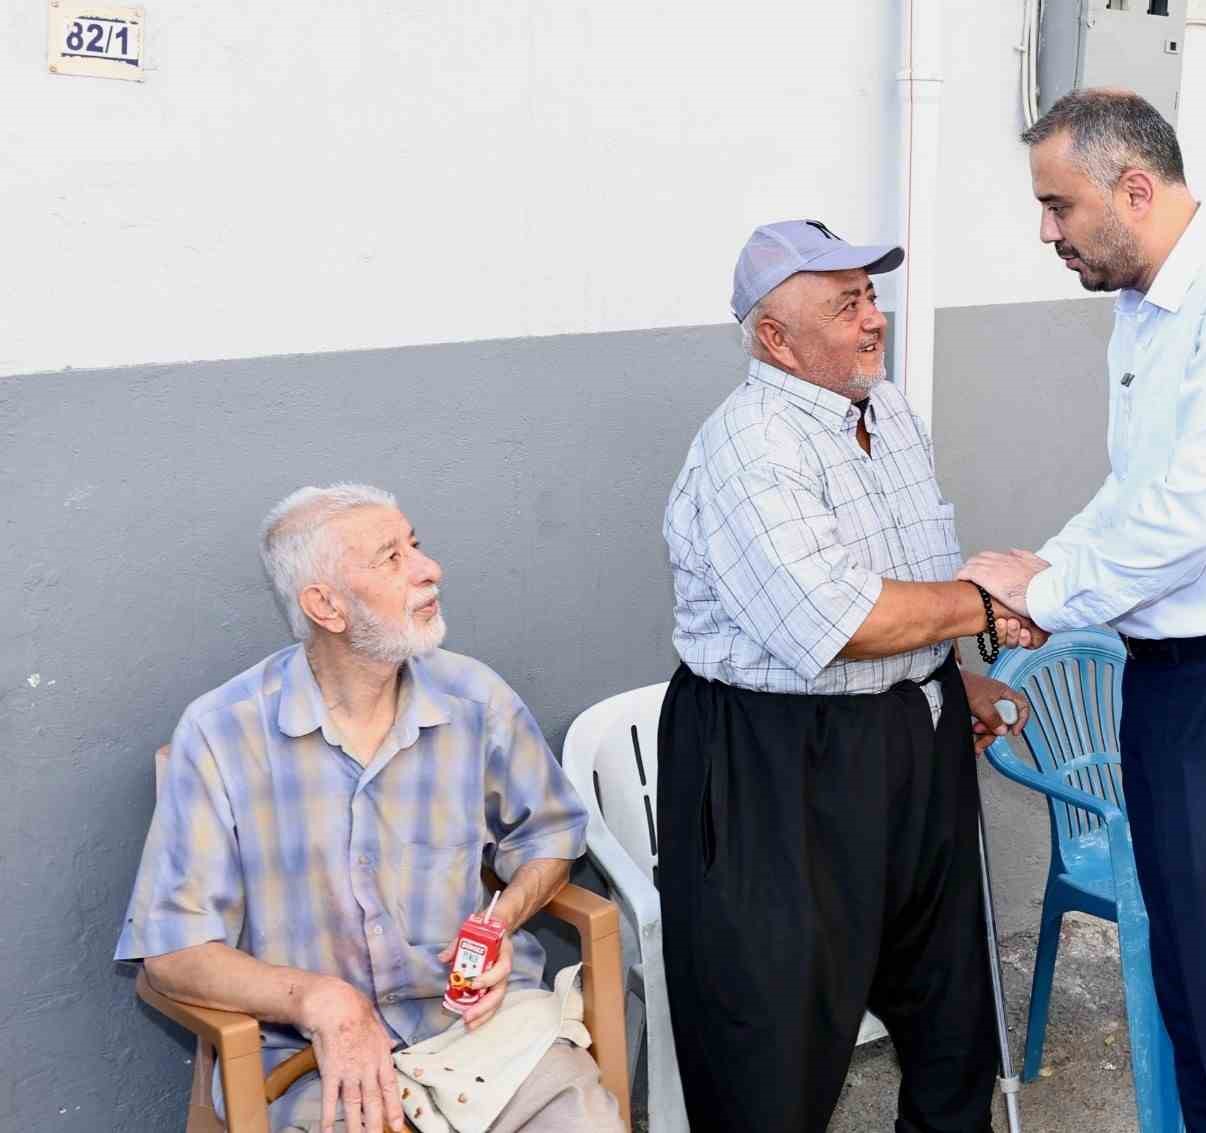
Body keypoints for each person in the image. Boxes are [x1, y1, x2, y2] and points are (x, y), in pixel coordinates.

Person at [959, 90, 1206, 1133]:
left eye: (1058, 205)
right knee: (1185, 996)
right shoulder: (1145, 309)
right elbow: (1134, 492)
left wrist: (1046, 595)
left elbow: (1193, 517)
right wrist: (1050, 567)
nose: (1046, 231)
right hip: (1176, 684)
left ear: (1133, 188)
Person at [659, 218, 1045, 1132]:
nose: (874, 319)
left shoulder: (891, 410)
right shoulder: (751, 445)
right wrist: (989, 604)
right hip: (777, 761)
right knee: (776, 1046)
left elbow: (911, 573)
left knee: (952, 1016)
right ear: (775, 338)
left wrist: (954, 674)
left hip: (914, 733)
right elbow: (837, 622)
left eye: (871, 295)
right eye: (847, 303)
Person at [115, 484, 623, 1133]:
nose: (427, 567)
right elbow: (173, 950)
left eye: (415, 544)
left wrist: (502, 918)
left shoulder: (475, 698)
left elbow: (552, 832)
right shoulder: (220, 734)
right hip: (314, 1064)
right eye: (390, 558)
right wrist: (320, 1000)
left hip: (487, 1037)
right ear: (324, 605)